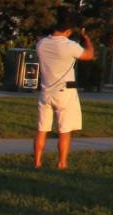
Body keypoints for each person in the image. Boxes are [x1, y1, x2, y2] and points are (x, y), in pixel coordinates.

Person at [33, 19, 93, 170]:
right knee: (65, 131)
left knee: (42, 129)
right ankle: (62, 163)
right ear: (68, 31)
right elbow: (89, 55)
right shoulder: (69, 46)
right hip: (65, 92)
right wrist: (87, 40)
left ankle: (37, 163)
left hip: (46, 91)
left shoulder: (41, 44)